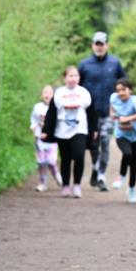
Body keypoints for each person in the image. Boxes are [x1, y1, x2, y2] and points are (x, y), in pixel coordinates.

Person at [78, 31, 127, 192]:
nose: (99, 47)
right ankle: (95, 167)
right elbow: (76, 87)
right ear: (92, 45)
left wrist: (123, 106)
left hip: (108, 112)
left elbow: (124, 84)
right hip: (89, 114)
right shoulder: (84, 65)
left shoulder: (115, 63)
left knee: (105, 143)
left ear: (107, 45)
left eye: (102, 44)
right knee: (93, 145)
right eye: (96, 44)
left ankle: (100, 176)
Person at [41, 66, 96, 198]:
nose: (73, 78)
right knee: (65, 159)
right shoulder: (59, 93)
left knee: (79, 155)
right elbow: (51, 113)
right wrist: (46, 131)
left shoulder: (84, 93)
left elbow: (92, 113)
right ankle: (65, 185)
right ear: (65, 78)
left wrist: (94, 129)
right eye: (70, 76)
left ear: (79, 78)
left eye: (76, 76)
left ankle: (77, 185)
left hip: (80, 129)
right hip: (62, 130)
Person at [109, 78, 136, 204]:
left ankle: (132, 189)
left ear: (129, 90)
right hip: (121, 135)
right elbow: (112, 108)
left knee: (134, 163)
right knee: (127, 153)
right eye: (118, 90)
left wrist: (128, 118)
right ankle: (121, 176)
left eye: (123, 90)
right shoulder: (113, 98)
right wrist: (113, 115)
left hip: (135, 135)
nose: (120, 93)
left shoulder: (135, 100)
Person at [30, 84, 62, 192]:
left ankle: (57, 175)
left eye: (50, 93)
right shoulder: (37, 107)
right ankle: (42, 183)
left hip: (52, 139)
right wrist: (33, 126)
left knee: (51, 161)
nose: (47, 95)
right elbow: (33, 119)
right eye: (45, 92)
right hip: (40, 138)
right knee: (41, 162)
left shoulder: (57, 107)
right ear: (41, 95)